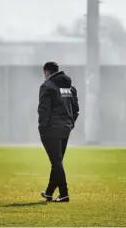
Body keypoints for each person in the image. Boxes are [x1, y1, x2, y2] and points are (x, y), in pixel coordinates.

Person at [38, 61, 79, 203]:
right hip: (65, 128)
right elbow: (75, 109)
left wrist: (42, 129)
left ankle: (64, 194)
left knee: (56, 162)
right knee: (58, 162)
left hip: (52, 129)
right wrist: (70, 123)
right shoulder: (70, 88)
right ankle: (49, 193)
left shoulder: (47, 87)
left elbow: (44, 110)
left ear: (47, 72)